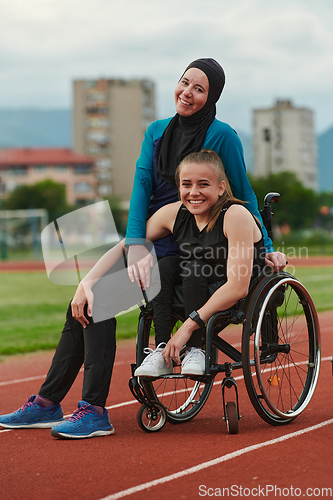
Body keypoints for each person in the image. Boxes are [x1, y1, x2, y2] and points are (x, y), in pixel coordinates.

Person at [0, 58, 285, 440]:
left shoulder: (223, 136)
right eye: (185, 83)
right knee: (84, 300)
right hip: (158, 232)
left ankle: (92, 410)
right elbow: (140, 190)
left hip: (196, 242)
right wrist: (133, 246)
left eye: (199, 89)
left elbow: (243, 193)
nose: (188, 93)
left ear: (211, 96)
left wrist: (265, 246)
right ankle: (50, 403)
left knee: (99, 300)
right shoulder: (155, 132)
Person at [134, 150, 266, 377]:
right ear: (179, 187)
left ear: (220, 188)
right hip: (193, 279)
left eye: (203, 184)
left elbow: (238, 287)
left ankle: (196, 348)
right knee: (166, 266)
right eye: (186, 184)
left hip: (230, 286)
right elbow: (130, 242)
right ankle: (162, 348)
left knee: (194, 267)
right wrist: (89, 281)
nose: (193, 192)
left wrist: (187, 327)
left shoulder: (235, 215)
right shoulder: (174, 213)